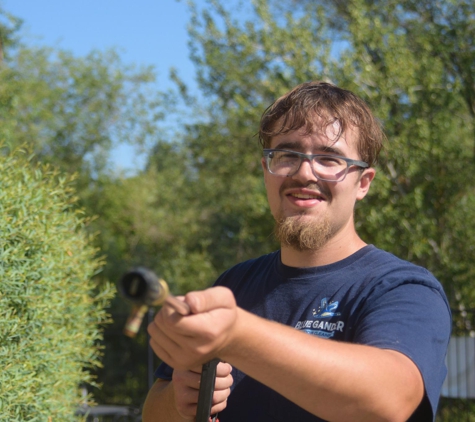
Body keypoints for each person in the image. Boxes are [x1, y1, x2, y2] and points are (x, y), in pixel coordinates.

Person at [143, 81, 451, 422]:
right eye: (288, 155)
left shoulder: (401, 288)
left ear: (363, 182)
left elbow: (389, 402)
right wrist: (178, 401)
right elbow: (154, 410)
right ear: (266, 171)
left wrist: (238, 336)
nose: (305, 173)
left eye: (329, 158)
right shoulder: (233, 283)